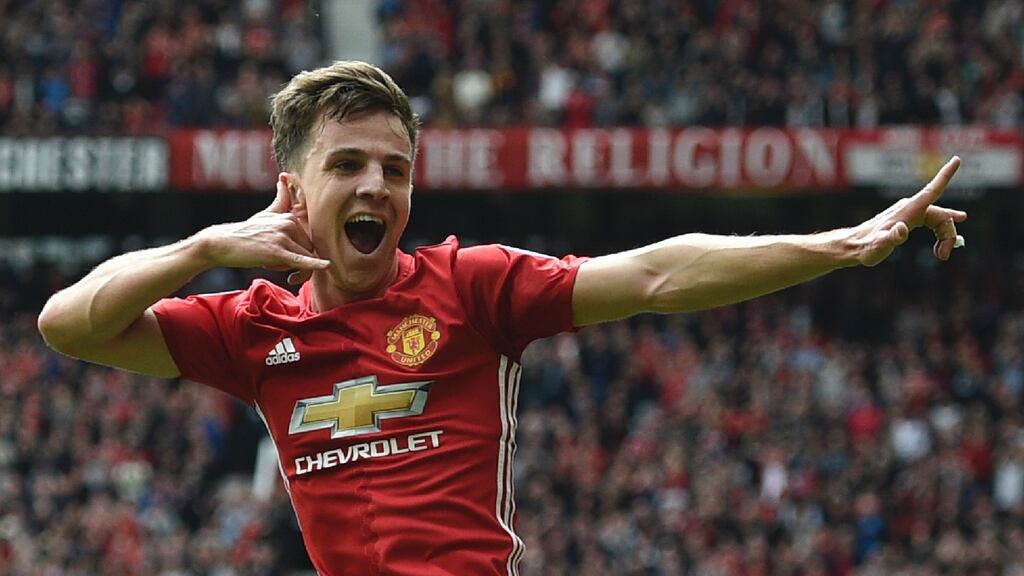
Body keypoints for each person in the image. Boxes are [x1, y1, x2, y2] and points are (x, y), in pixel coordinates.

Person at [37, 60, 967, 576]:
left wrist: (839, 244)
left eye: (395, 169)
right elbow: (68, 323)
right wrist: (204, 246)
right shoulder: (251, 329)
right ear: (293, 191)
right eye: (348, 165)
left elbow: (654, 274)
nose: (376, 186)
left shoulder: (470, 288)